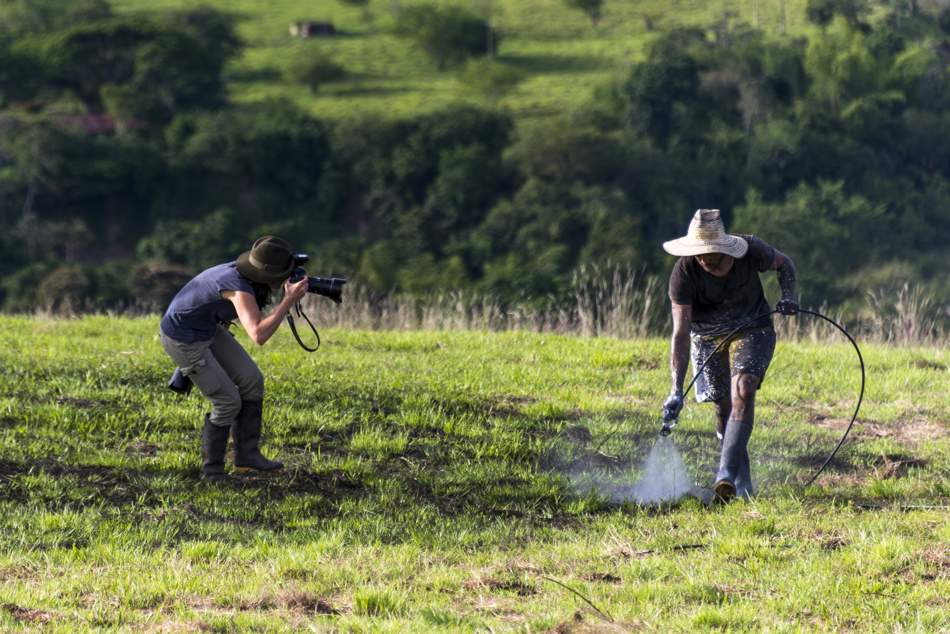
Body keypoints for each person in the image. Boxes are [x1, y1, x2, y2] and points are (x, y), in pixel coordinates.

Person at [660, 209, 798, 502]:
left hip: (753, 328)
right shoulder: (683, 273)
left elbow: (785, 265)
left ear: (727, 250)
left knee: (744, 389)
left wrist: (788, 297)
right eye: (701, 257)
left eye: (713, 257)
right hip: (707, 338)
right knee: (723, 406)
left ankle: (724, 476)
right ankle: (741, 485)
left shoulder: (752, 250)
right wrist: (675, 389)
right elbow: (681, 333)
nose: (706, 261)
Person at [159, 236, 309, 481]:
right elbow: (258, 334)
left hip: (207, 328)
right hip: (183, 339)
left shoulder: (245, 275)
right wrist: (288, 301)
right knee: (228, 401)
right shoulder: (238, 288)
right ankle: (213, 471)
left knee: (252, 380)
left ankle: (247, 456)